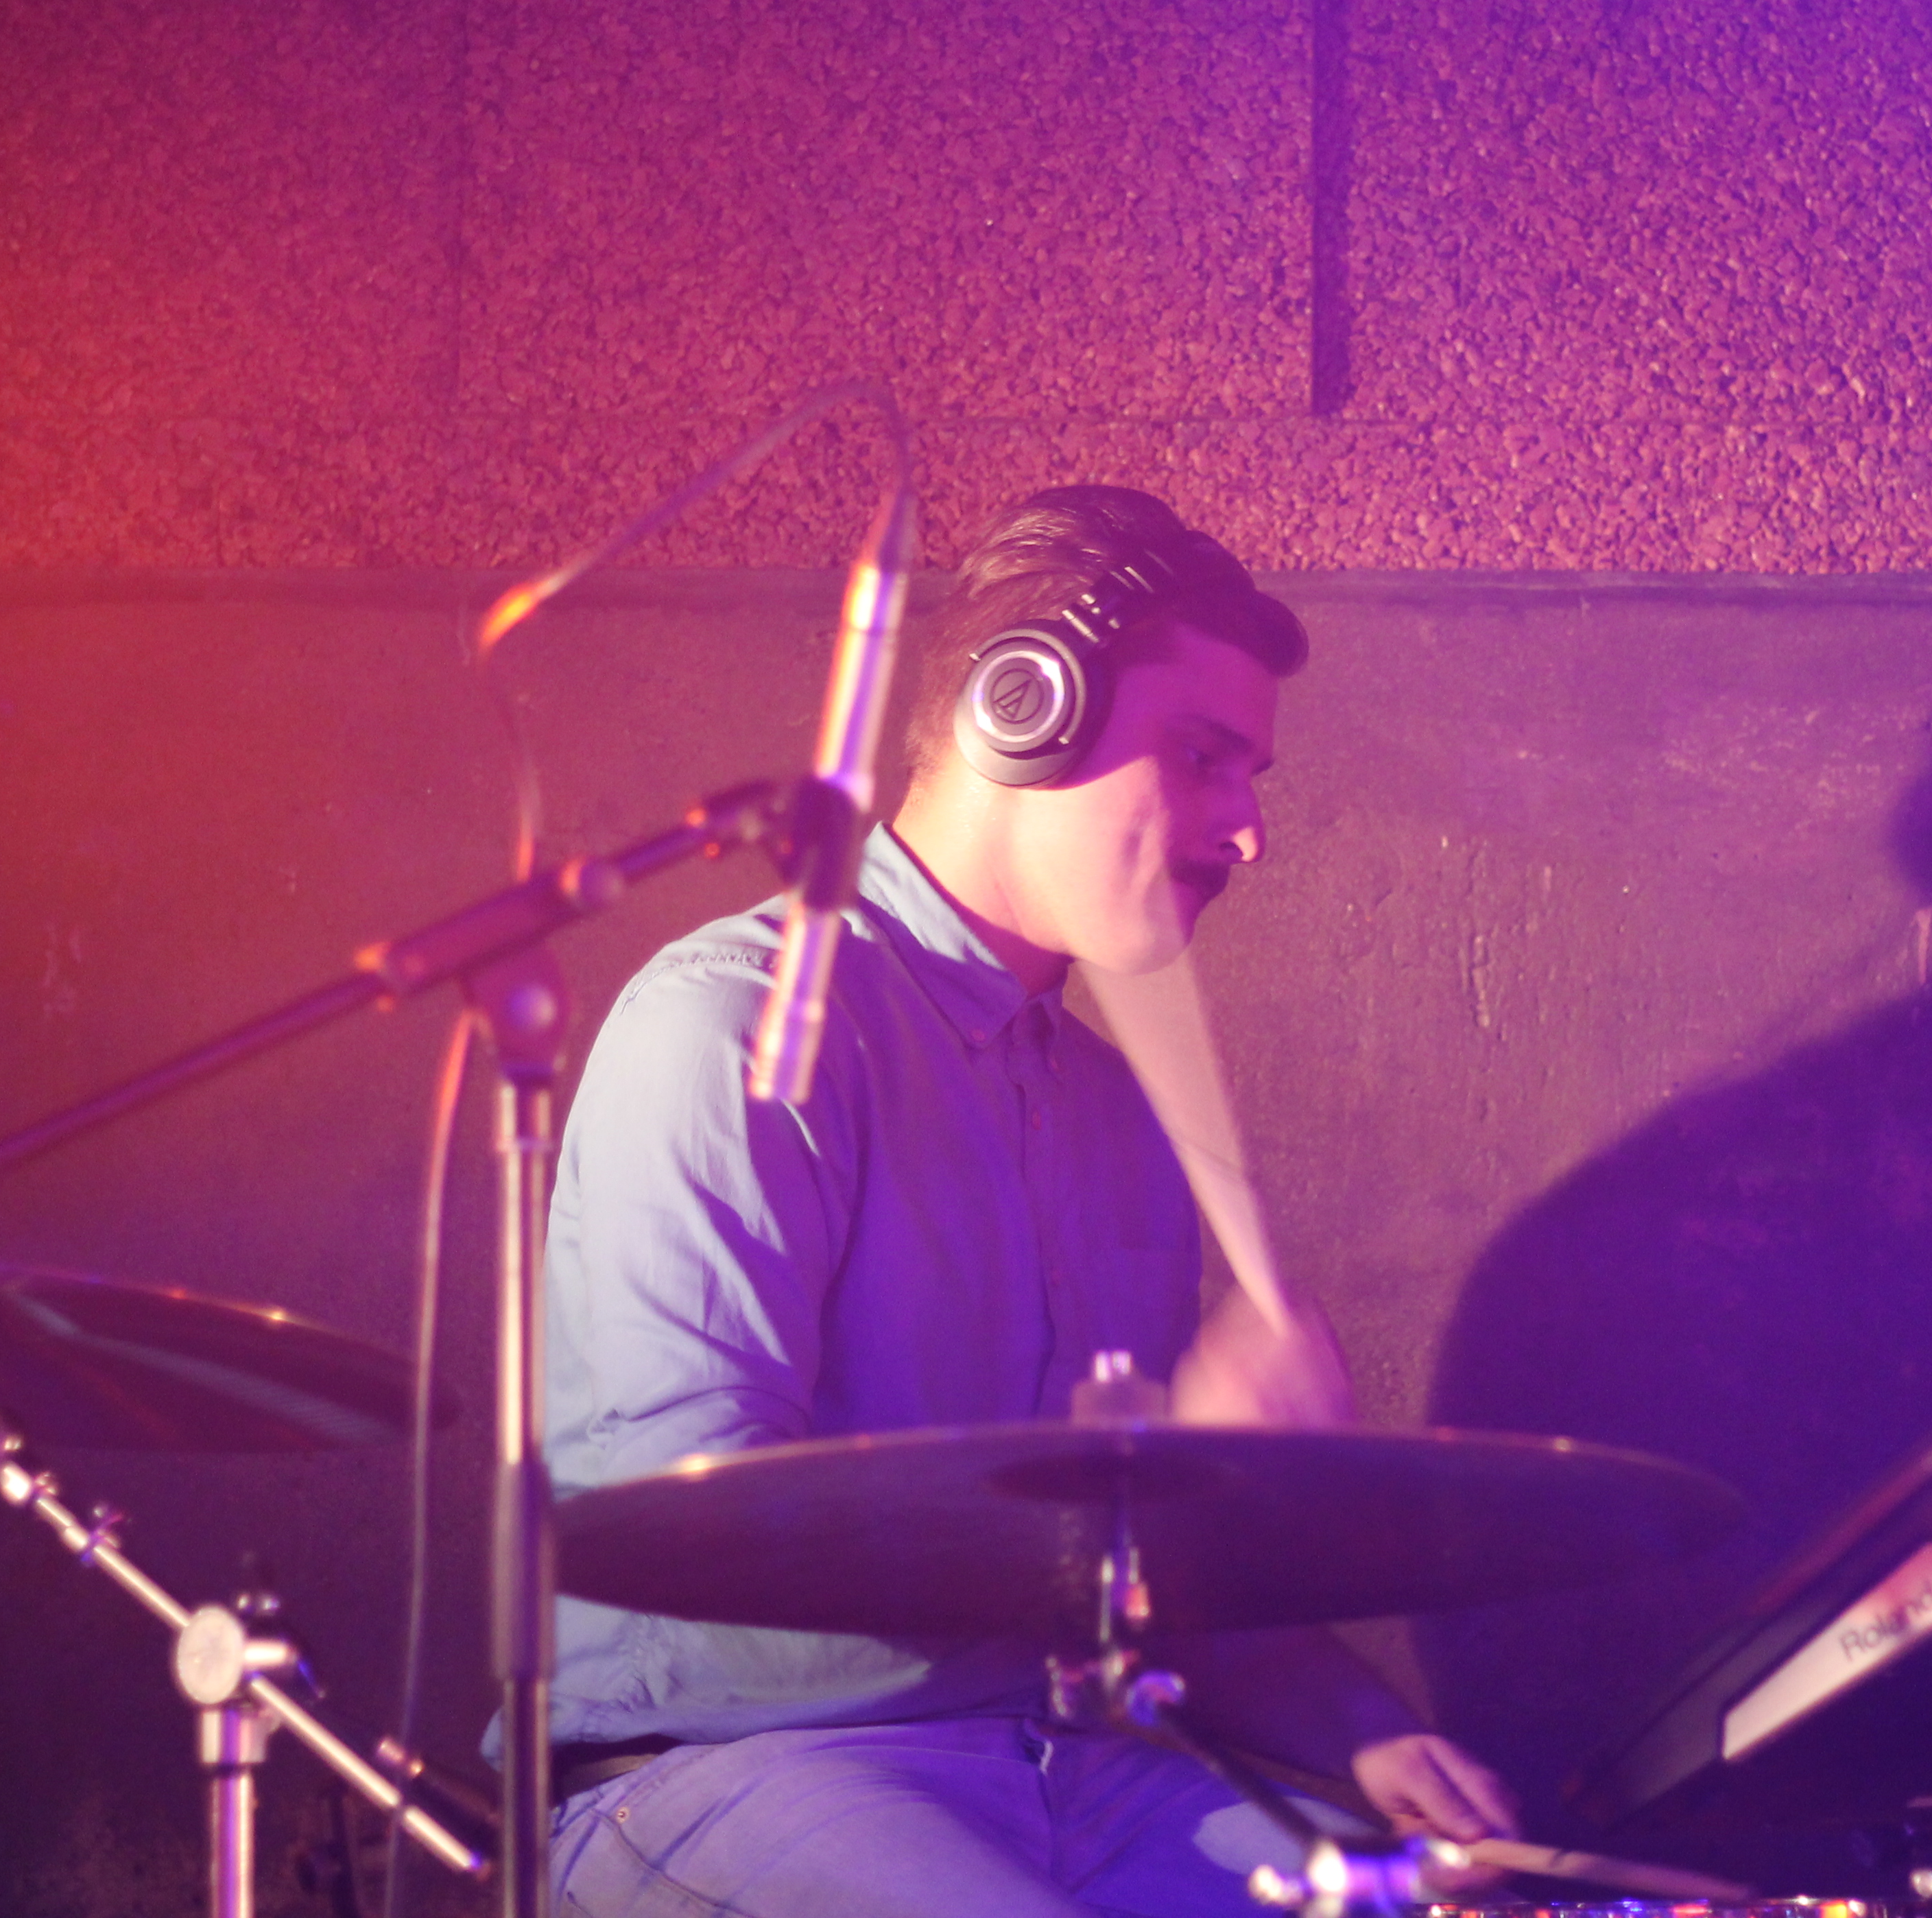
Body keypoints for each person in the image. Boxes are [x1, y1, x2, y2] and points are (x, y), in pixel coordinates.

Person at [531, 485, 1520, 1916]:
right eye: (1204, 757)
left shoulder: (1119, 1117)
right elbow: (693, 1562)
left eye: (1252, 775)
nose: (1248, 831)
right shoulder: (740, 1029)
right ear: (1021, 711)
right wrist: (1162, 1478)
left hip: (1081, 1767)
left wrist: (1364, 1731)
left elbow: (1139, 1606)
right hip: (735, 1766)